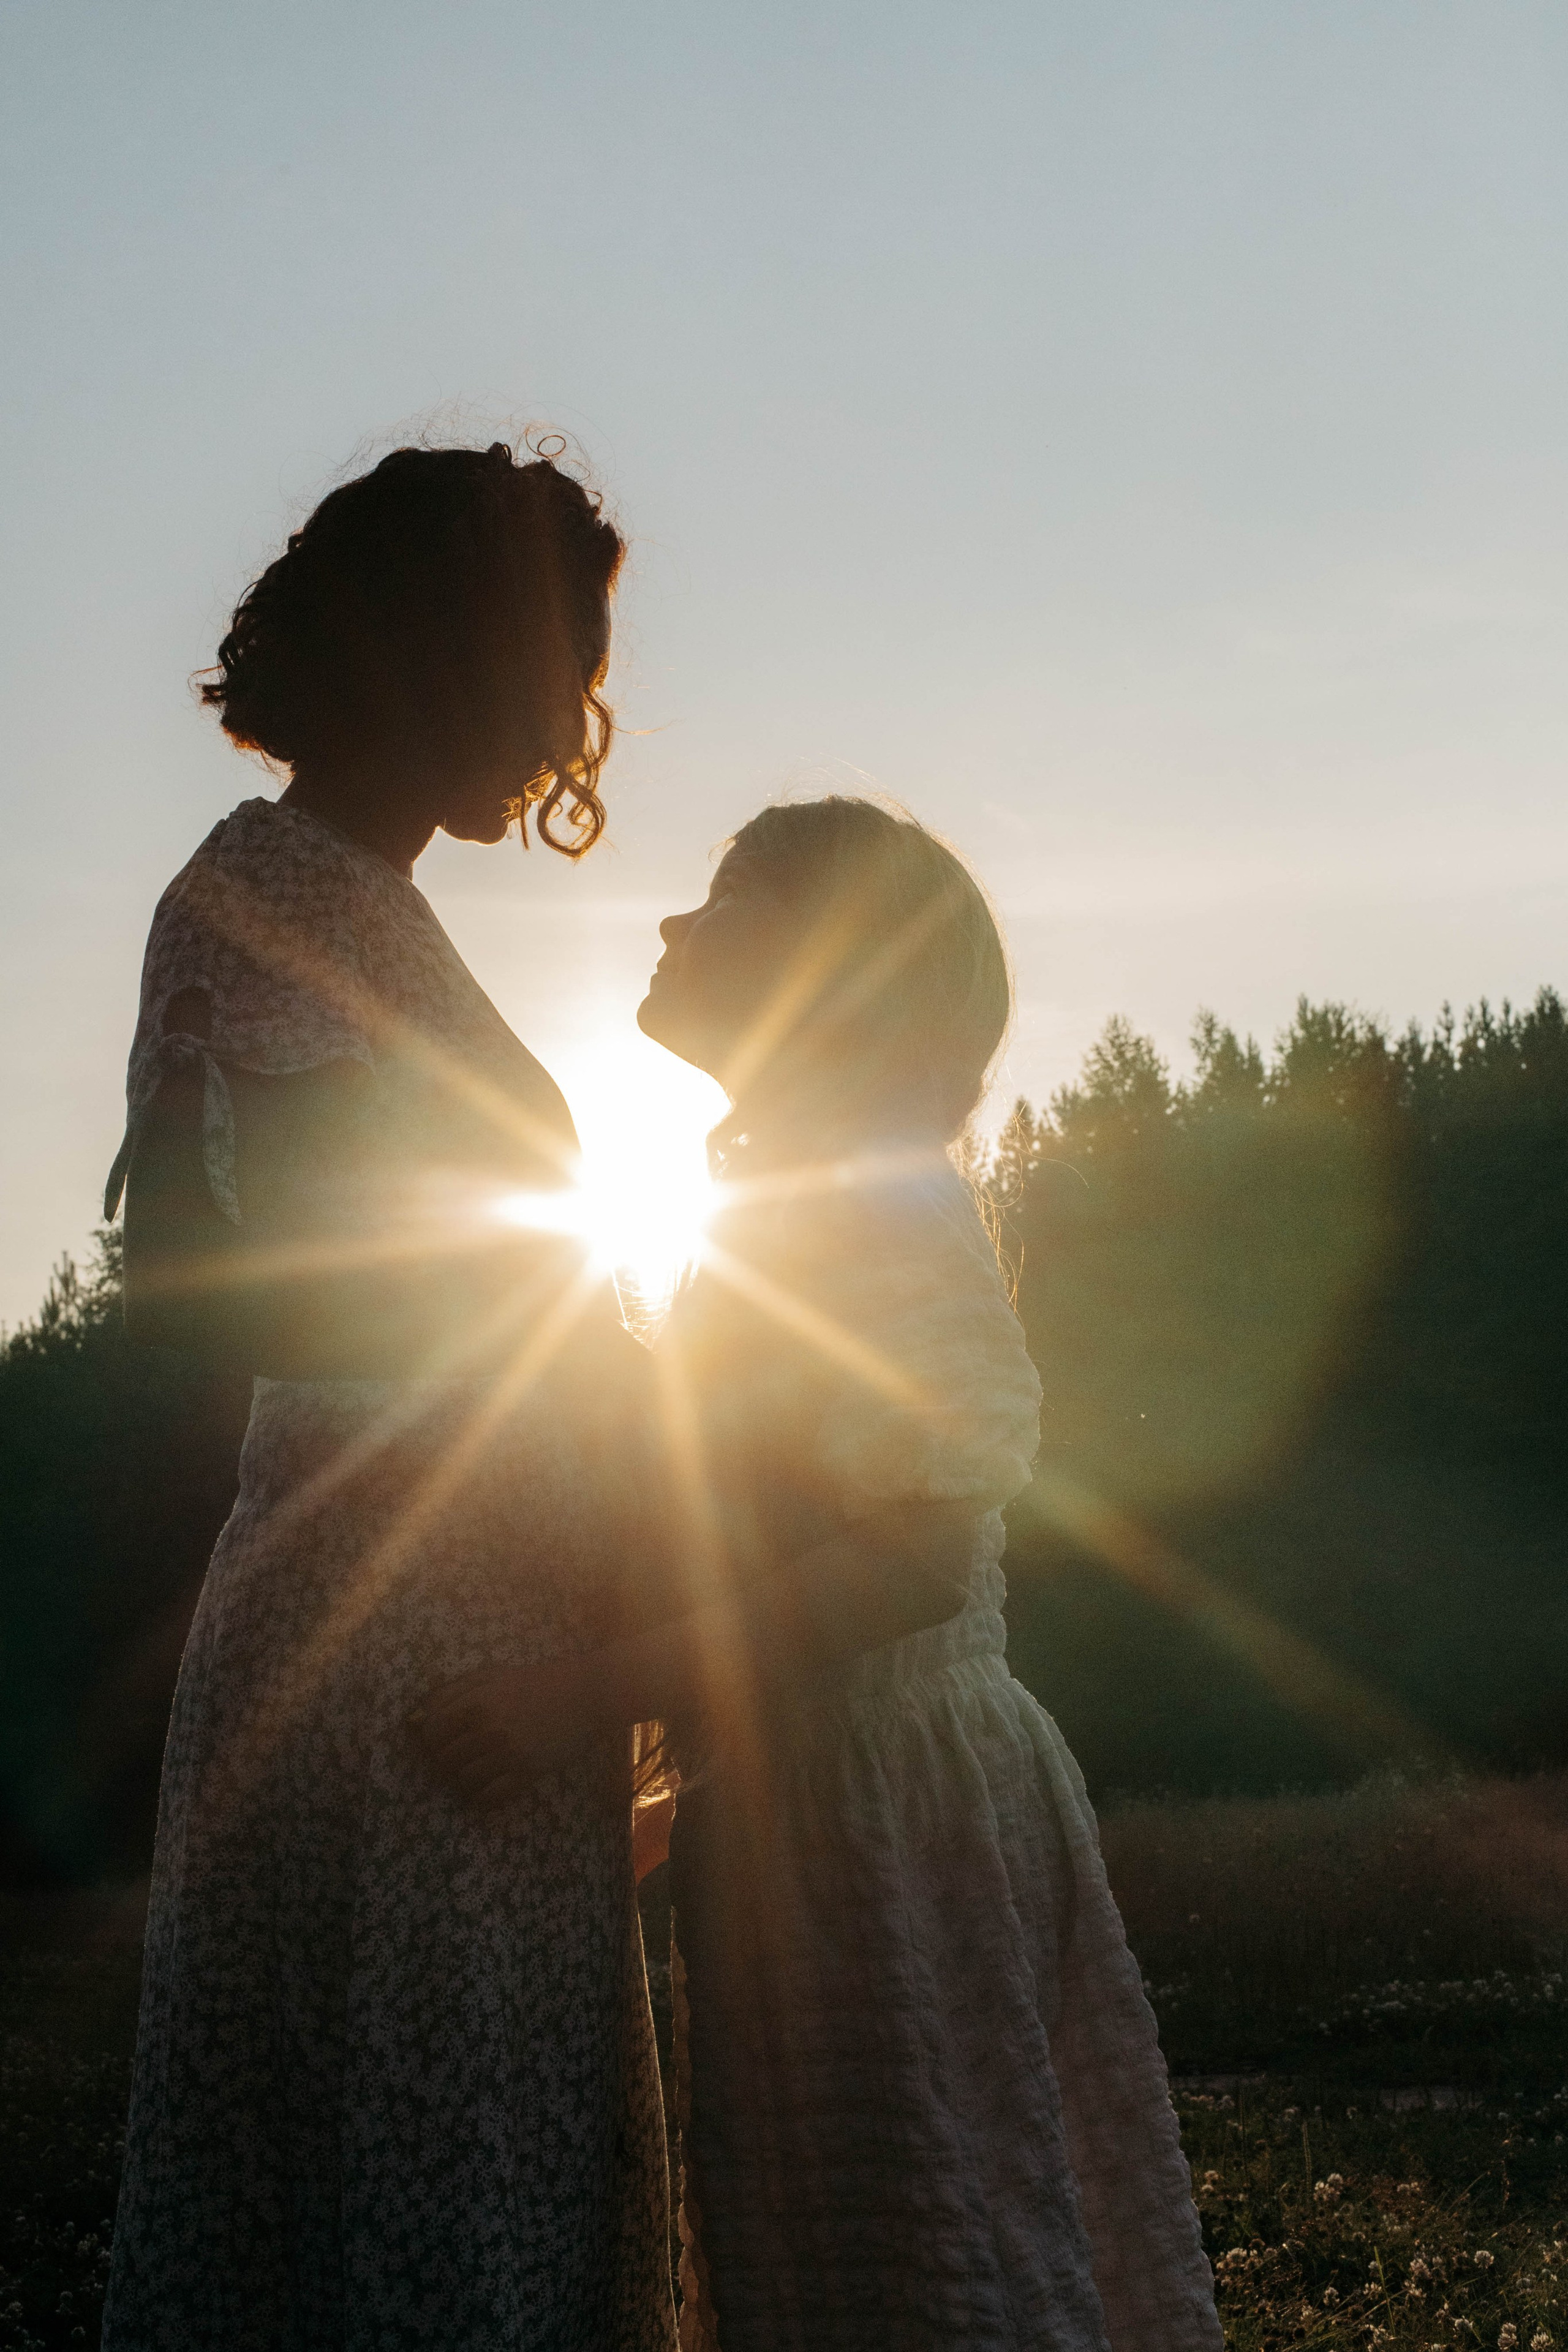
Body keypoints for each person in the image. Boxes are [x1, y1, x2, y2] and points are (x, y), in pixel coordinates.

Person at [416, 798, 1223, 2351]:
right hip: (825, 1811)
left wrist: (576, 1698)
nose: (671, 926)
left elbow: (912, 1558)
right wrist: (671, 1798)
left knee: (931, 2261)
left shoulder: (875, 1198)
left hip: (891, 1822)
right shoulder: (799, 1202)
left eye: (725, 899)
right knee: (867, 2256)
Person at [102, 440, 680, 2351]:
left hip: (473, 1595)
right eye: (554, 663)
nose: (566, 720)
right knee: (421, 2187)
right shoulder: (269, 895)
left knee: (462, 2172)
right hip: (395, 1623)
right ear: (450, 650)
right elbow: (198, 1276)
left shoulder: (358, 901)